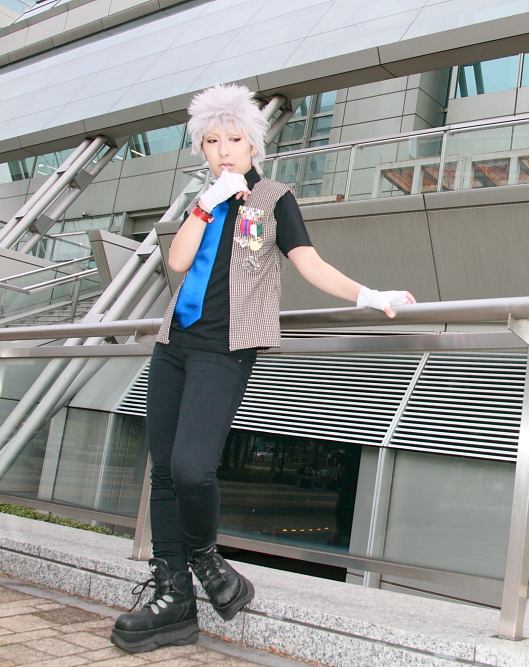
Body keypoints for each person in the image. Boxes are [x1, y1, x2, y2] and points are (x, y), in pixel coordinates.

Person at [110, 84, 415, 654]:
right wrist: (207, 202)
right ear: (202, 149)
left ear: (253, 144)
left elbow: (309, 264)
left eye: (234, 139)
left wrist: (370, 295)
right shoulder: (203, 201)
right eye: (212, 141)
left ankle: (205, 559)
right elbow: (178, 260)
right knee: (164, 470)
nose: (224, 150)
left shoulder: (275, 199)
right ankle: (173, 598)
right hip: (173, 345)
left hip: (225, 350)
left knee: (192, 468)